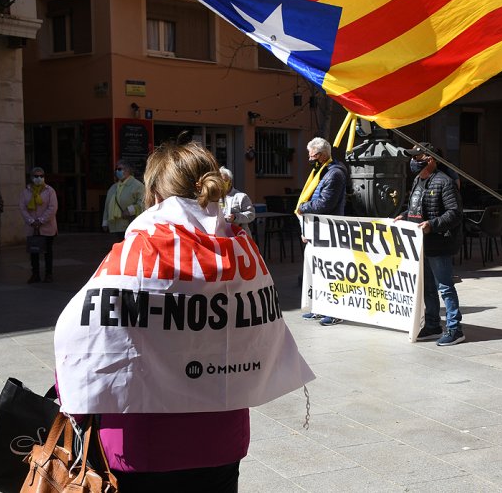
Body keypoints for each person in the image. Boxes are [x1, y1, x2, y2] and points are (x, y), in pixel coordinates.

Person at [54, 139, 314, 493]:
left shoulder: (133, 255)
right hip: (220, 441)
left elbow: (84, 340)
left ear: (156, 195)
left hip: (140, 446)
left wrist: (71, 399)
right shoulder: (242, 252)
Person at [396, 144, 465, 346]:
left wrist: (432, 225)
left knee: (444, 286)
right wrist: (405, 216)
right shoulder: (418, 180)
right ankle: (433, 324)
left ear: (431, 159)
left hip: (439, 243)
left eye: (418, 157)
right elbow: (416, 209)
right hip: (421, 244)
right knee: (427, 287)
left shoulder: (445, 182)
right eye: (413, 157)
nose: (413, 161)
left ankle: (455, 328)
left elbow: (454, 213)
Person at [296, 136, 348, 326]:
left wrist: (304, 207)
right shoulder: (321, 172)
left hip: (329, 231)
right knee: (318, 273)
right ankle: (320, 307)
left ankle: (335, 311)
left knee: (331, 273)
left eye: (314, 156)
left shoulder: (334, 173)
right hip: (317, 231)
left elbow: (325, 203)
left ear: (323, 155)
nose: (311, 160)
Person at [18, 166, 58, 283]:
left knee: (48, 252)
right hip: (32, 228)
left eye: (41, 176)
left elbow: (52, 208)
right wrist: (31, 221)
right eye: (36, 176)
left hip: (47, 227)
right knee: (34, 252)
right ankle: (35, 274)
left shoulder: (50, 191)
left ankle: (48, 274)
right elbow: (22, 208)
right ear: (31, 178)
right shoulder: (26, 191)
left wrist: (41, 221)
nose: (39, 178)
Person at [102, 159, 145, 238]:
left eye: (119, 169)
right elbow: (107, 206)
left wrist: (130, 210)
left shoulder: (137, 186)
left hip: (129, 226)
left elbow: (143, 202)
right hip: (113, 227)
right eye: (116, 169)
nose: (117, 171)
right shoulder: (113, 187)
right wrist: (105, 222)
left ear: (128, 170)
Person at [219, 166, 256, 236]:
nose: (220, 184)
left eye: (223, 181)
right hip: (221, 236)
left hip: (239, 237)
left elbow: (251, 215)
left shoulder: (241, 196)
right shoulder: (214, 198)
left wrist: (235, 217)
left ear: (230, 182)